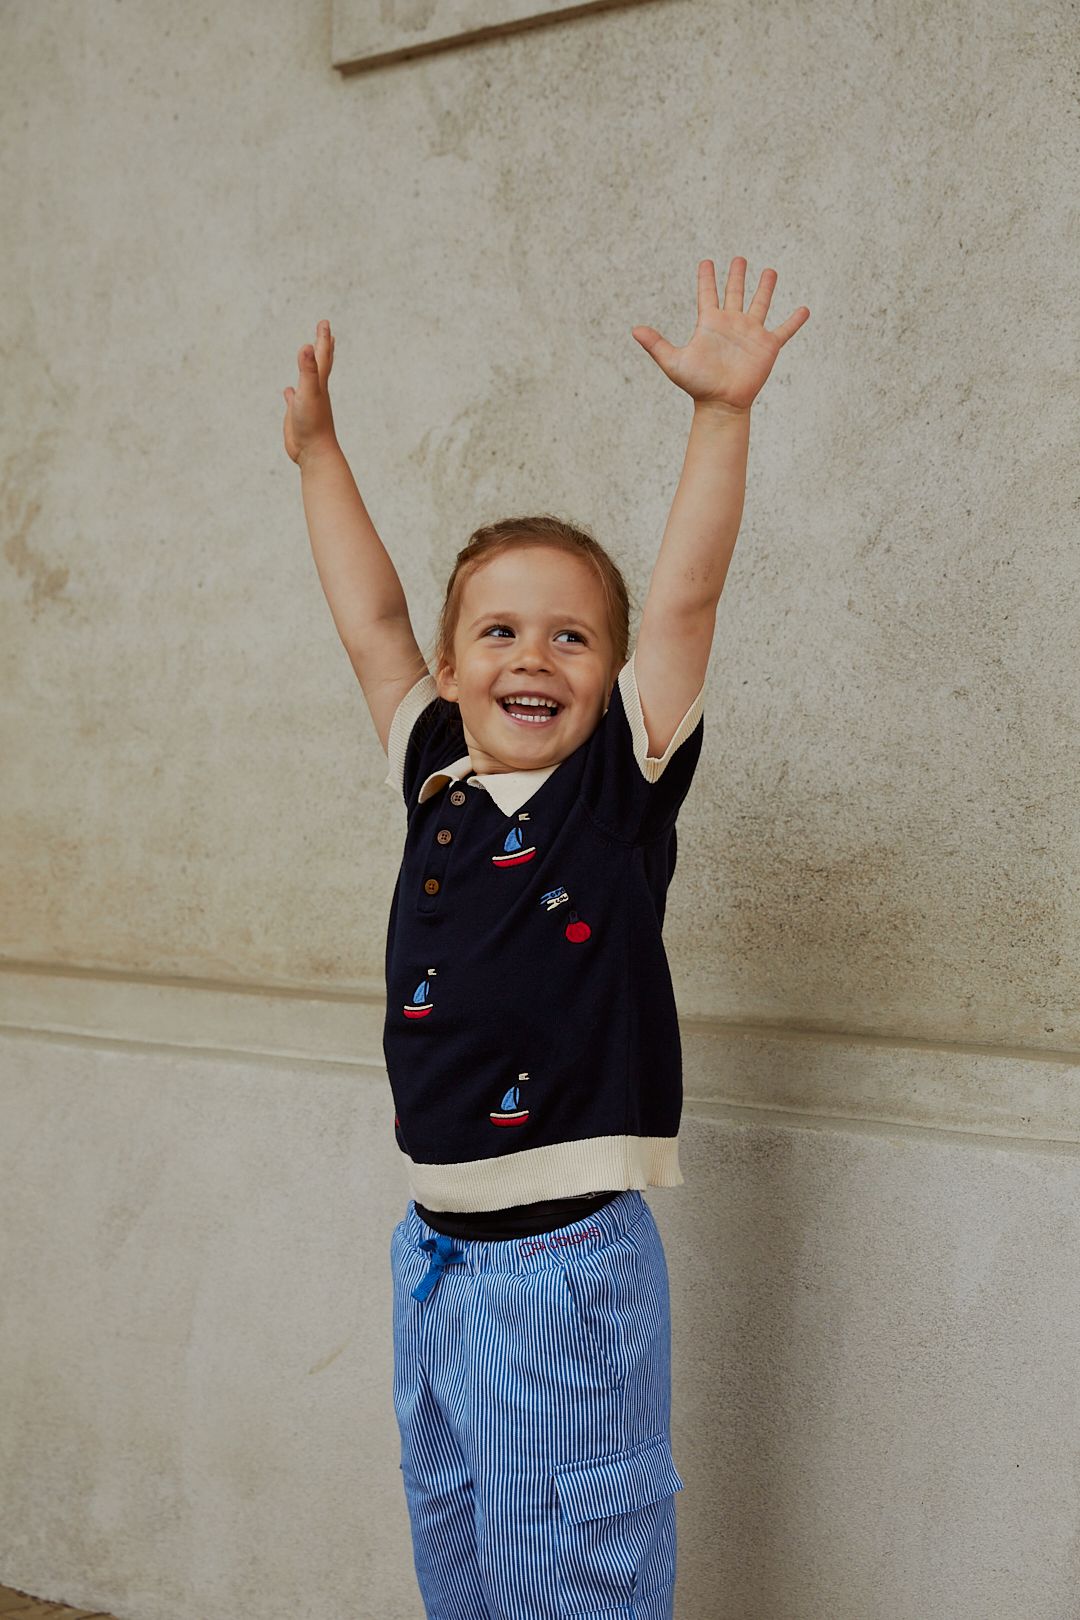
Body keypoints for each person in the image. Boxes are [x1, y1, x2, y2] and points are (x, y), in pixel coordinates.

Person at [282, 257, 809, 1620]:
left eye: (574, 637)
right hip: (439, 1255)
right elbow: (372, 619)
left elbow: (686, 597)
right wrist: (320, 454)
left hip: (564, 1268)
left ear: (615, 675)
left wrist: (723, 416)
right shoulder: (437, 777)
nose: (536, 656)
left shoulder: (612, 793)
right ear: (455, 675)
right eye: (502, 631)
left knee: (576, 1581)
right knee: (461, 1564)